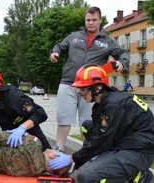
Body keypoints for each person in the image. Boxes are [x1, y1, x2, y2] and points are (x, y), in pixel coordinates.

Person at [48, 64, 154, 183]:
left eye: (83, 89)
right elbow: (97, 136)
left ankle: (138, 175)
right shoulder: (102, 103)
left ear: (97, 88)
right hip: (126, 141)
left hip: (140, 152)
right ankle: (107, 165)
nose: (80, 93)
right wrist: (78, 161)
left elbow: (101, 141)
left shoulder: (113, 105)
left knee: (87, 177)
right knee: (87, 126)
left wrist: (71, 158)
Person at [50, 6, 130, 152]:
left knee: (88, 122)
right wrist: (55, 53)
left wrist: (121, 63)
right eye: (88, 20)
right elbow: (60, 47)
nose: (90, 23)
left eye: (94, 20)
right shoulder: (74, 36)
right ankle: (59, 149)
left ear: (100, 20)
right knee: (63, 119)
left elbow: (123, 54)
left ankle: (88, 151)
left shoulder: (108, 41)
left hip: (91, 88)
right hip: (69, 83)